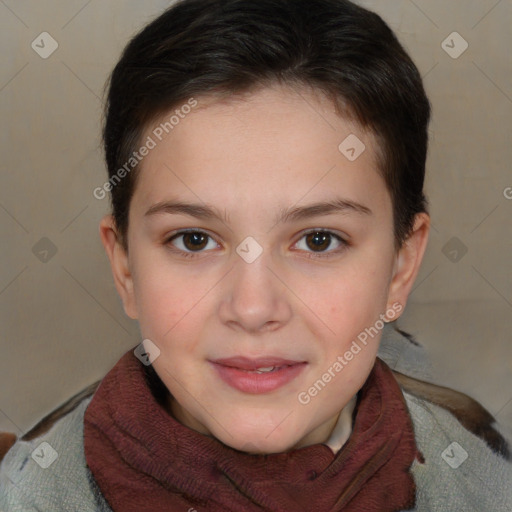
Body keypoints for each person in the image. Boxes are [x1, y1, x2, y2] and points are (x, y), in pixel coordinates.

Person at [1, 0, 511, 510]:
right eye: (194, 240)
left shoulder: (486, 485)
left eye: (318, 240)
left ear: (401, 267)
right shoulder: (29, 494)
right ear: (126, 268)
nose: (252, 308)